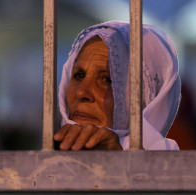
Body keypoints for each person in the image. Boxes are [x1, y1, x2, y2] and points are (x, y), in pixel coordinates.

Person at [54, 21, 181, 150]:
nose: (81, 93)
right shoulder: (44, 160)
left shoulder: (170, 166)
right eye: (79, 75)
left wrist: (119, 163)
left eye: (107, 80)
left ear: (145, 101)